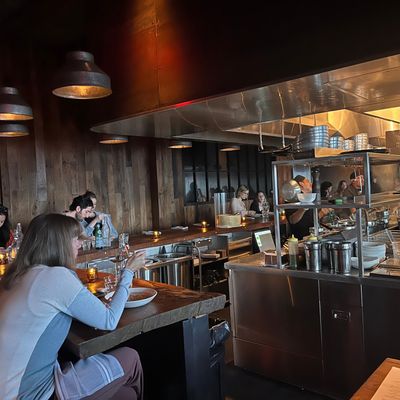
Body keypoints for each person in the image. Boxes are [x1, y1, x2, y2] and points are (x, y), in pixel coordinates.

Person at [0, 213, 144, 400]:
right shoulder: (55, 276)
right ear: (58, 243)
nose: (80, 244)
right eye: (76, 238)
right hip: (32, 395)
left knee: (126, 394)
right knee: (131, 358)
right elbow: (109, 320)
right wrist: (129, 271)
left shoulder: (15, 276)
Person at [286, 175, 330, 239]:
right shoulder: (292, 198)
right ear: (301, 184)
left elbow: (311, 218)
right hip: (300, 239)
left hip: (314, 236)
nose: (311, 184)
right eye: (308, 182)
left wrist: (322, 213)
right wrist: (303, 208)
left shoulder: (311, 197)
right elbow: (292, 220)